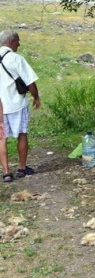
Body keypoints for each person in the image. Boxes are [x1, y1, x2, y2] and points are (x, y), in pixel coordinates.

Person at [0, 30, 41, 182]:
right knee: (22, 134)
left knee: (1, 138)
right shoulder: (16, 59)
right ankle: (22, 168)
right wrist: (36, 97)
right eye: (18, 41)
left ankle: (6, 172)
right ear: (11, 42)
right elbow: (30, 82)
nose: (19, 44)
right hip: (16, 103)